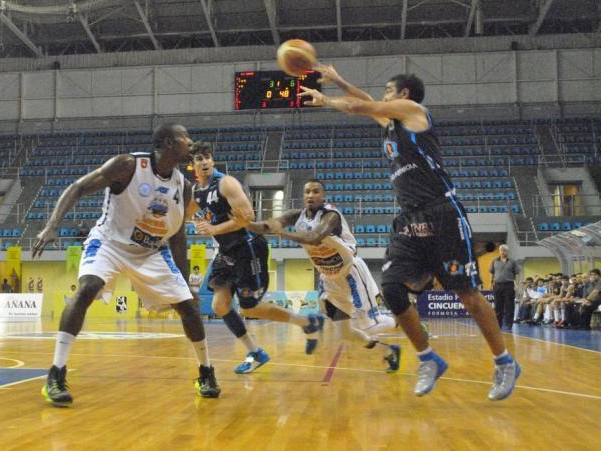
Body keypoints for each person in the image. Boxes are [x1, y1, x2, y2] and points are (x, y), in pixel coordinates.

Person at [298, 67, 520, 400]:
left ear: (403, 94)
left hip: (442, 212)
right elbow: (367, 102)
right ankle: (428, 358)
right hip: (408, 219)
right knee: (392, 290)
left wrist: (327, 98)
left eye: (388, 91)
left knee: (467, 295)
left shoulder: (415, 112)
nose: (382, 96)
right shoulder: (391, 124)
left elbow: (363, 106)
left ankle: (504, 362)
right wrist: (340, 80)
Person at [33, 123, 220, 407]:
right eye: (186, 138)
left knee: (189, 308)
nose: (191, 143)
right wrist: (51, 226)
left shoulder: (182, 186)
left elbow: (179, 236)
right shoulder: (128, 165)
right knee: (87, 289)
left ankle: (206, 373)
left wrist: (182, 281)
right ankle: (56, 374)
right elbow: (78, 187)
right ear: (168, 143)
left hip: (151, 251)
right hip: (109, 243)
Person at [235, 179, 402, 371]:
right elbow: (267, 226)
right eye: (307, 192)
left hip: (351, 274)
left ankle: (402, 319)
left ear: (323, 196)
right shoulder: (296, 215)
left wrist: (282, 234)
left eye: (315, 192)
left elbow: (313, 238)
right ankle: (388, 351)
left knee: (369, 326)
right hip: (329, 279)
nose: (311, 195)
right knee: (346, 332)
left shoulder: (331, 216)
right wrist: (247, 224)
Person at [187, 142, 324, 374]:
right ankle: (256, 352)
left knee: (248, 309)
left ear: (212, 159)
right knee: (219, 305)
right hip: (226, 252)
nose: (205, 162)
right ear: (193, 165)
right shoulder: (196, 191)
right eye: (199, 159)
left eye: (207, 157)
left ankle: (305, 322)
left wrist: (212, 229)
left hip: (247, 247)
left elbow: (247, 217)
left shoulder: (226, 183)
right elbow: (185, 214)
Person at [489, 244, 520, 331]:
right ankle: (498, 325)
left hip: (509, 285)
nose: (503, 252)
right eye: (501, 250)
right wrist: (491, 284)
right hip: (498, 285)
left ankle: (508, 325)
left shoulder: (513, 262)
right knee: (498, 306)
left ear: (507, 251)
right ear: (499, 251)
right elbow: (491, 273)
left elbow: (517, 274)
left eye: (504, 250)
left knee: (509, 305)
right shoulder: (494, 261)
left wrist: (516, 285)